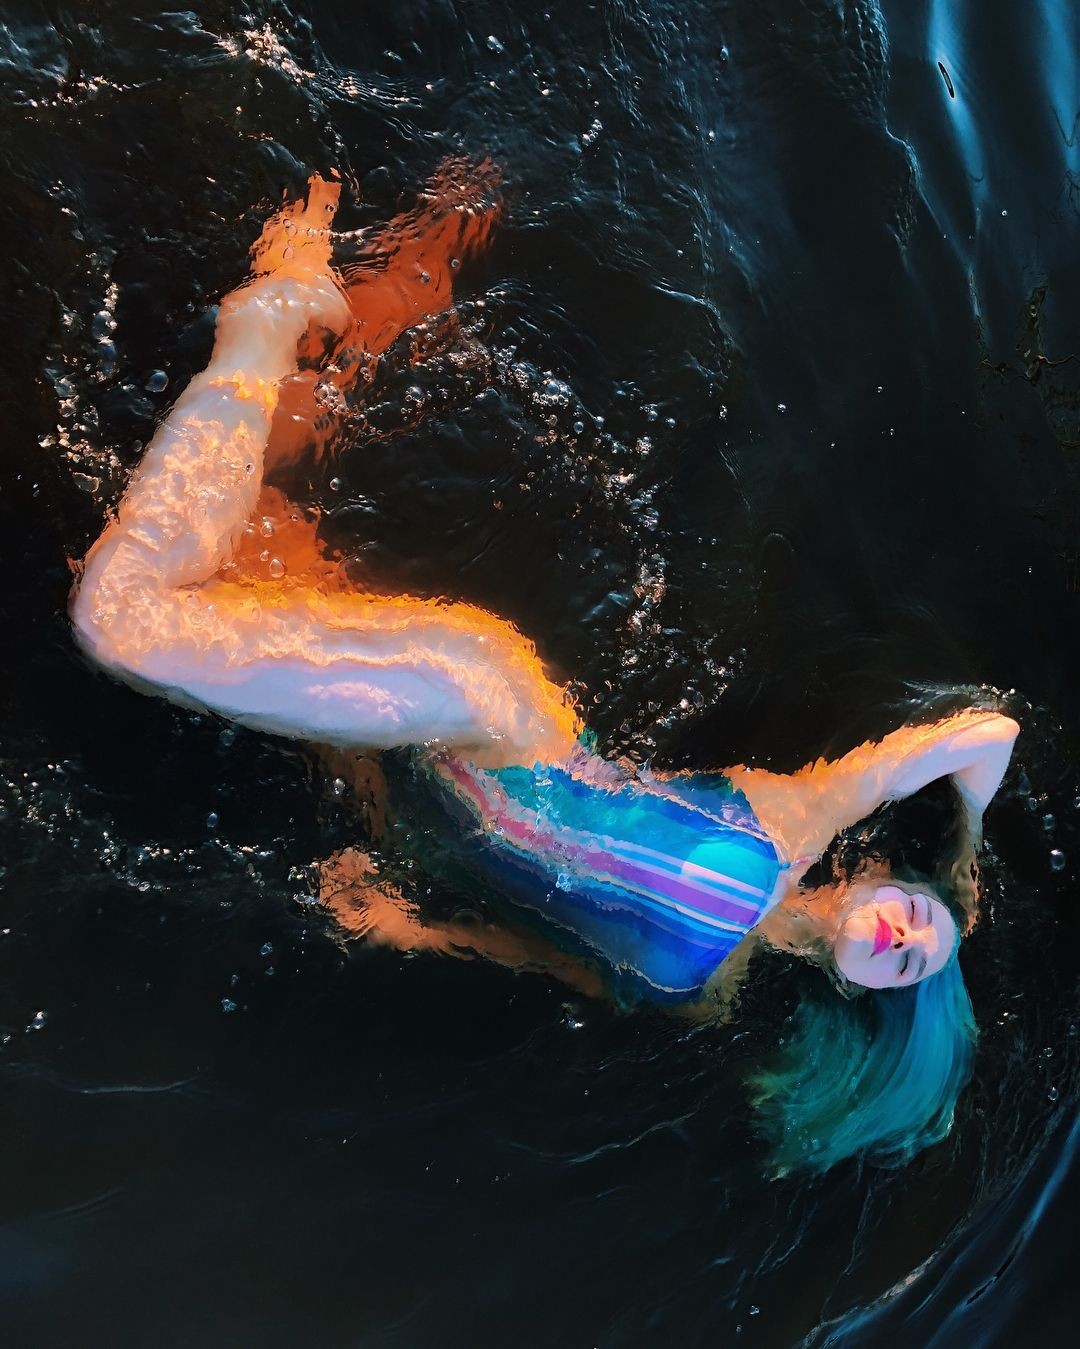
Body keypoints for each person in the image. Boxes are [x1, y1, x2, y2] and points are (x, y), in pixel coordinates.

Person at [70, 166, 1020, 1173]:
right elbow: (985, 735)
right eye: (924, 921)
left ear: (860, 1000)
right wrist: (962, 859)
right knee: (122, 622)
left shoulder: (703, 999)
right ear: (897, 880)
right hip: (486, 712)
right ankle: (264, 324)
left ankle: (418, 252)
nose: (906, 936)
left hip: (417, 784)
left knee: (266, 520)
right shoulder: (803, 822)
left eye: (907, 964)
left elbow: (548, 952)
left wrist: (410, 927)